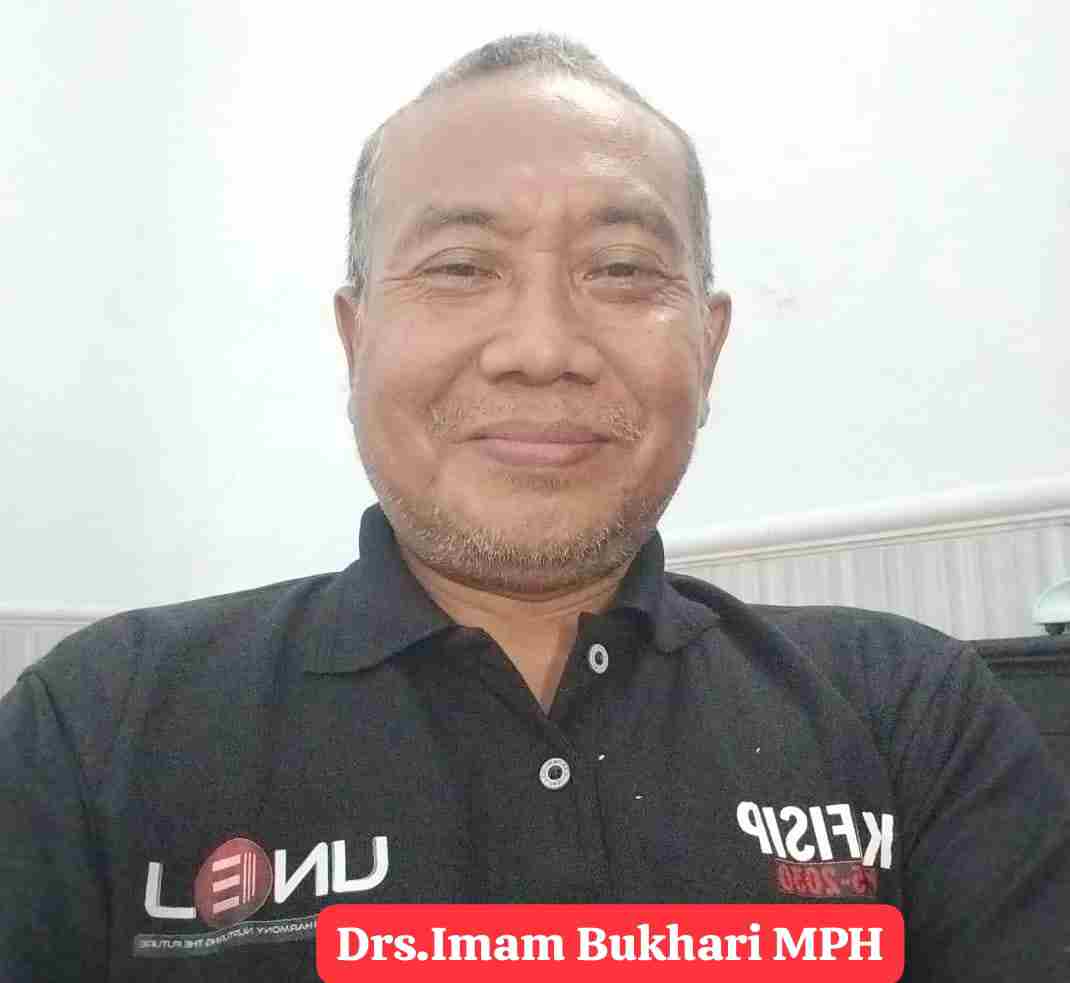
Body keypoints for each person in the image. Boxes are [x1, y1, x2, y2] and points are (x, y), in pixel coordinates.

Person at [2, 32, 1067, 982]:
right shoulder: (97, 728)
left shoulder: (909, 717)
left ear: (708, 344)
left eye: (622, 269)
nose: (543, 348)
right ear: (354, 338)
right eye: (461, 266)